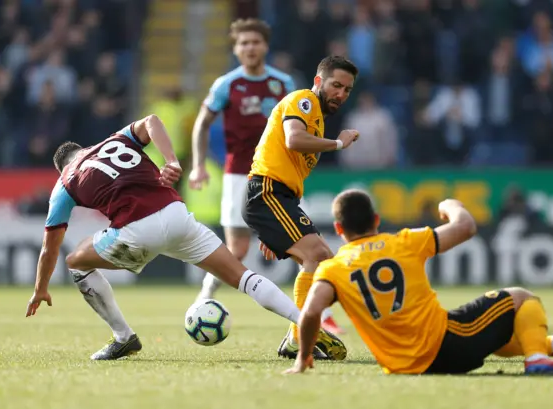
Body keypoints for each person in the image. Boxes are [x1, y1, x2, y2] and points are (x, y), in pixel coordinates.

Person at [24, 114, 345, 362]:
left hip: (137, 232)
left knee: (75, 261)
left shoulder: (64, 183)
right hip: (177, 214)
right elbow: (151, 121)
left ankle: (123, 337)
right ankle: (305, 323)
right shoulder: (114, 141)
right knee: (242, 276)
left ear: (60, 167)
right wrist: (172, 160)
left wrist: (40, 288)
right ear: (83, 149)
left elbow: (49, 247)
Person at [284, 189, 553, 376]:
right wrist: (450, 205)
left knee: (495, 331)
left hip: (400, 365)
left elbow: (310, 313)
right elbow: (466, 227)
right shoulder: (403, 242)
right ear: (376, 220)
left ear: (339, 228)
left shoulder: (333, 269)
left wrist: (304, 357)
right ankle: (537, 359)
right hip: (444, 346)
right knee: (521, 298)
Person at [188, 19, 345, 335]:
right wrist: (198, 165)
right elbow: (202, 122)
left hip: (276, 176)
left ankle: (315, 315)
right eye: (243, 43)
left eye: (255, 42)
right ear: (236, 49)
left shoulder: (284, 84)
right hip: (238, 174)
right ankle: (206, 296)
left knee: (306, 252)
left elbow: (306, 123)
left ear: (265, 47)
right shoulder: (226, 85)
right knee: (237, 251)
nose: (250, 48)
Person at [243, 55, 360, 360]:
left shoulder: (317, 121)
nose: (341, 94)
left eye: (347, 90)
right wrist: (339, 144)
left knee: (321, 260)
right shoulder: (304, 100)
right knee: (319, 255)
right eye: (336, 85)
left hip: (278, 199)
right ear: (319, 81)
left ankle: (297, 336)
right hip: (267, 191)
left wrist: (272, 229)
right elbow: (293, 140)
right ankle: (299, 335)